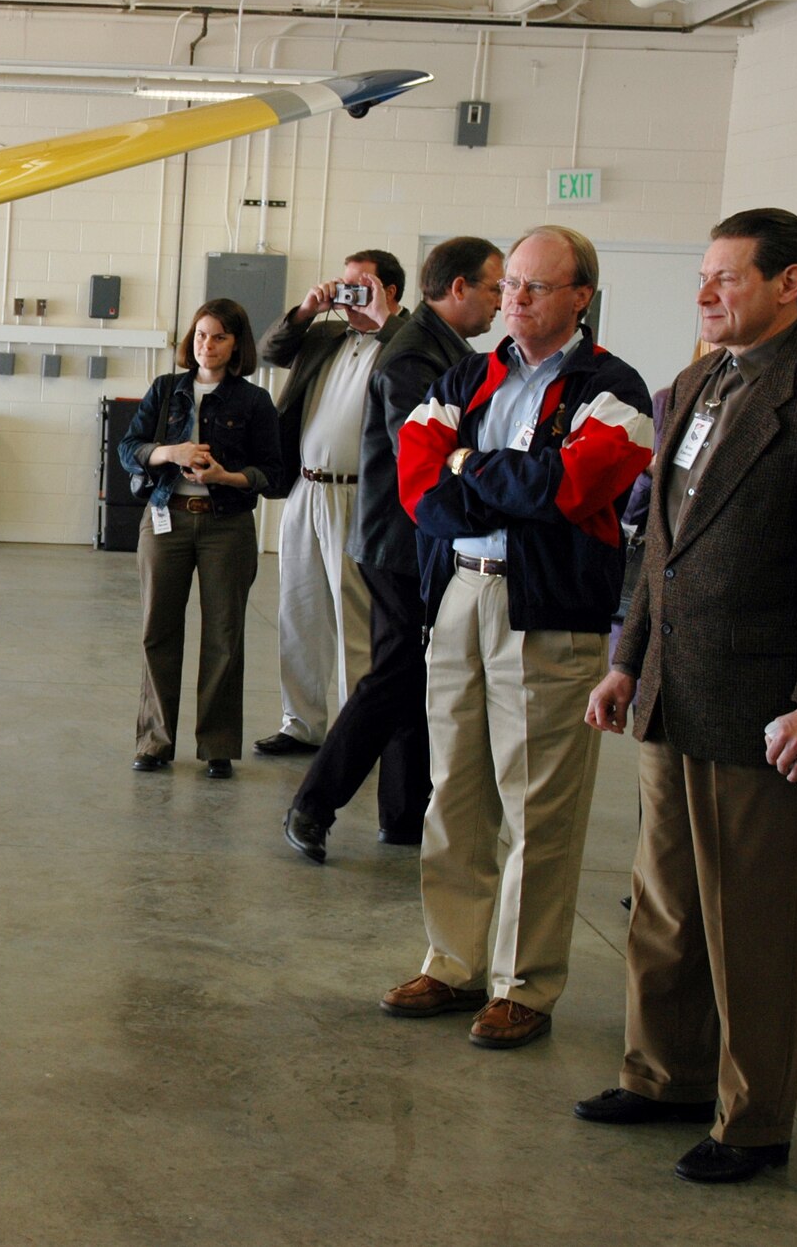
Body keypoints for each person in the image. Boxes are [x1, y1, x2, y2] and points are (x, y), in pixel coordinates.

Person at [380, 225, 651, 1049]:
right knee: (454, 792)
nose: (515, 299)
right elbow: (418, 480)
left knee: (538, 805)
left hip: (548, 612)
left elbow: (572, 488)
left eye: (535, 286)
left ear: (581, 296)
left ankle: (522, 984)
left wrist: (470, 465)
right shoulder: (468, 377)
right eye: (509, 286)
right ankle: (453, 961)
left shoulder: (615, 388)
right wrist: (495, 480)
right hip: (462, 594)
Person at [576, 207, 797, 1184]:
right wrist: (626, 657)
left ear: (789, 283)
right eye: (702, 276)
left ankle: (753, 1119)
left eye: (726, 277)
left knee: (749, 924)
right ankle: (663, 1072)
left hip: (761, 704)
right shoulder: (700, 381)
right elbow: (656, 541)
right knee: (663, 904)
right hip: (671, 687)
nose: (703, 293)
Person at [283, 237, 503, 863]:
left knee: (411, 671)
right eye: (495, 288)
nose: (501, 301)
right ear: (458, 288)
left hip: (410, 538)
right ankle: (313, 804)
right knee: (397, 673)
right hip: (398, 540)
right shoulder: (413, 355)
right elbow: (426, 452)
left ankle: (403, 815)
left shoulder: (439, 347)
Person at [253, 250, 409, 756]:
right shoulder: (325, 336)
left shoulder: (405, 341)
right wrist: (306, 310)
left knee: (353, 619)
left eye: (359, 286)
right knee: (299, 611)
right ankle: (300, 722)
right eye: (343, 285)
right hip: (306, 487)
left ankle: (355, 732)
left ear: (388, 291)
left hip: (361, 495)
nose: (347, 296)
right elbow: (270, 350)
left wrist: (384, 321)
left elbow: (423, 367)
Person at [118, 298, 280, 780]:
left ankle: (218, 745)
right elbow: (129, 449)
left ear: (236, 345)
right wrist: (171, 452)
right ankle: (154, 741)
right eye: (202, 335)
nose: (208, 345)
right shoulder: (166, 389)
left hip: (226, 525)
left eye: (220, 337)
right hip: (165, 518)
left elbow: (273, 472)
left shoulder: (254, 401)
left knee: (225, 635)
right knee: (158, 630)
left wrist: (226, 476)